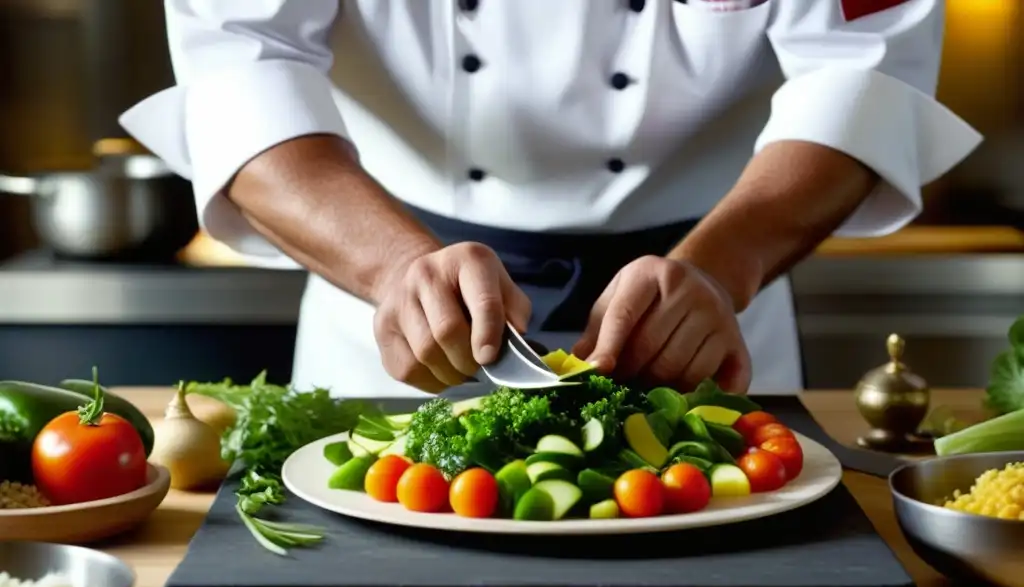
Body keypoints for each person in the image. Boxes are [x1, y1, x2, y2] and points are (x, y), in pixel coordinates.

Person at [122, 0, 980, 399]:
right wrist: (396, 269)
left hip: (708, 317)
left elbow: (863, 81)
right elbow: (239, 71)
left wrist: (720, 270)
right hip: (398, 326)